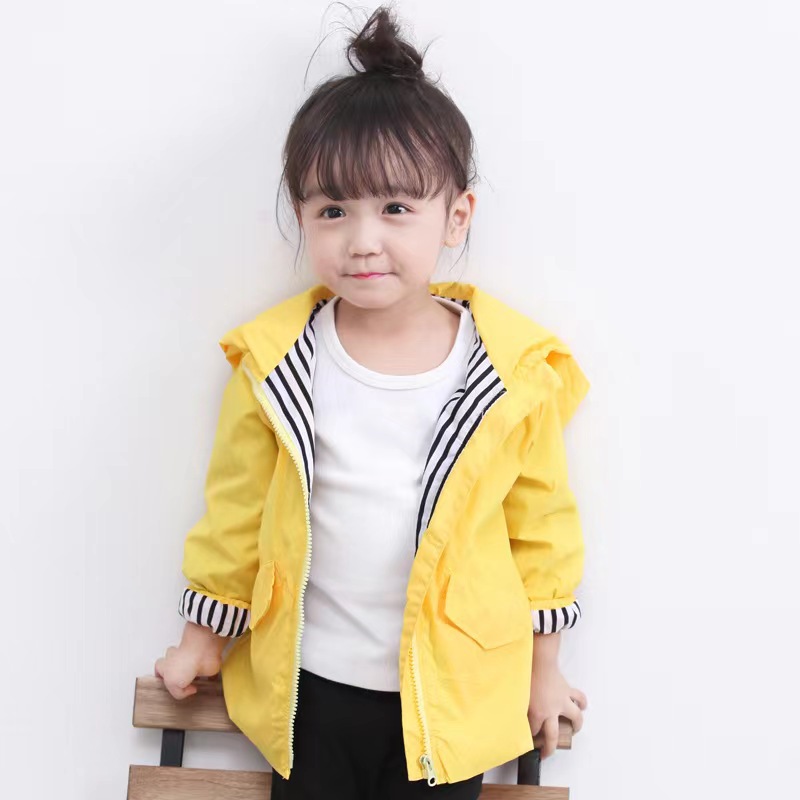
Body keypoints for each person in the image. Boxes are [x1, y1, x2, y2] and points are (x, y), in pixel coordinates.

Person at [154, 5, 589, 798]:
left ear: (456, 217)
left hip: (452, 699)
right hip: (310, 691)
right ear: (301, 218)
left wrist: (545, 669)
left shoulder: (512, 373)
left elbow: (542, 533)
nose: (362, 240)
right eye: (333, 211)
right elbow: (235, 514)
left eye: (395, 208)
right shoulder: (275, 363)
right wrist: (203, 637)